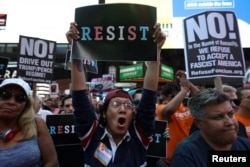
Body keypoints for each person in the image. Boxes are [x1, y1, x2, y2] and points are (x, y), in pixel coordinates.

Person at [66, 22, 166, 166]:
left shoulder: (139, 136)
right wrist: (75, 49)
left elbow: (149, 97)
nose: (123, 109)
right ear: (105, 113)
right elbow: (80, 97)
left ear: (133, 114)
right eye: (116, 104)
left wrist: (156, 50)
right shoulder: (92, 135)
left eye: (128, 105)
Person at [170, 88, 250, 167]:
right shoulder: (187, 153)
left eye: (230, 114)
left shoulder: (246, 145)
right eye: (218, 117)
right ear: (199, 123)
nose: (229, 122)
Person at [0, 78, 58, 167]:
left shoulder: (37, 124)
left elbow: (52, 162)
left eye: (20, 98)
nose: (11, 102)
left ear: (26, 105)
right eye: (5, 95)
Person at [156, 70, 199, 167]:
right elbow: (168, 111)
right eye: (173, 96)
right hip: (168, 161)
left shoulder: (187, 108)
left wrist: (188, 84)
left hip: (187, 157)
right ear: (165, 97)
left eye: (178, 94)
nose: (179, 97)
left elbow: (204, 99)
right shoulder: (160, 108)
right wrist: (183, 90)